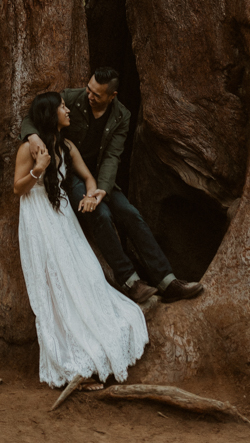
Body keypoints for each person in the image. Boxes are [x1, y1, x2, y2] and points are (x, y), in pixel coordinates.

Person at [21, 68, 204, 306]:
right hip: (73, 174)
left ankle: (167, 281)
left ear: (112, 95)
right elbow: (34, 114)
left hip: (101, 176)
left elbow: (112, 156)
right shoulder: (72, 98)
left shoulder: (121, 115)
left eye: (96, 94)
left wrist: (101, 190)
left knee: (129, 213)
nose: (90, 96)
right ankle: (131, 281)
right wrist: (32, 136)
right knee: (99, 213)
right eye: (89, 89)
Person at [14, 91, 148, 388]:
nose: (68, 110)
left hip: (62, 215)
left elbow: (88, 178)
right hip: (38, 217)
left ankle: (94, 339)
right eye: (62, 107)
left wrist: (90, 196)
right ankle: (67, 360)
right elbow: (18, 188)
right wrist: (37, 171)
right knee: (54, 284)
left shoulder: (68, 146)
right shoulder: (28, 149)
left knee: (83, 272)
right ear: (51, 114)